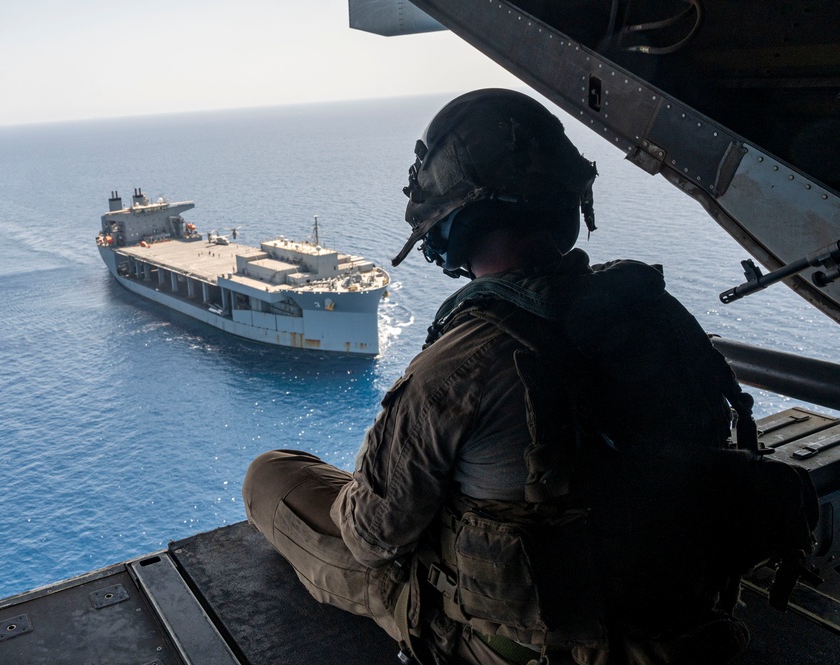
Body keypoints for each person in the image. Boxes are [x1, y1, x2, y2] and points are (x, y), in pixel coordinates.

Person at [243, 89, 814, 665]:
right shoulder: (654, 312)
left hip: (539, 648)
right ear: (567, 204)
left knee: (270, 475)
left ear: (451, 226)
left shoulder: (462, 362)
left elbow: (372, 536)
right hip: (677, 631)